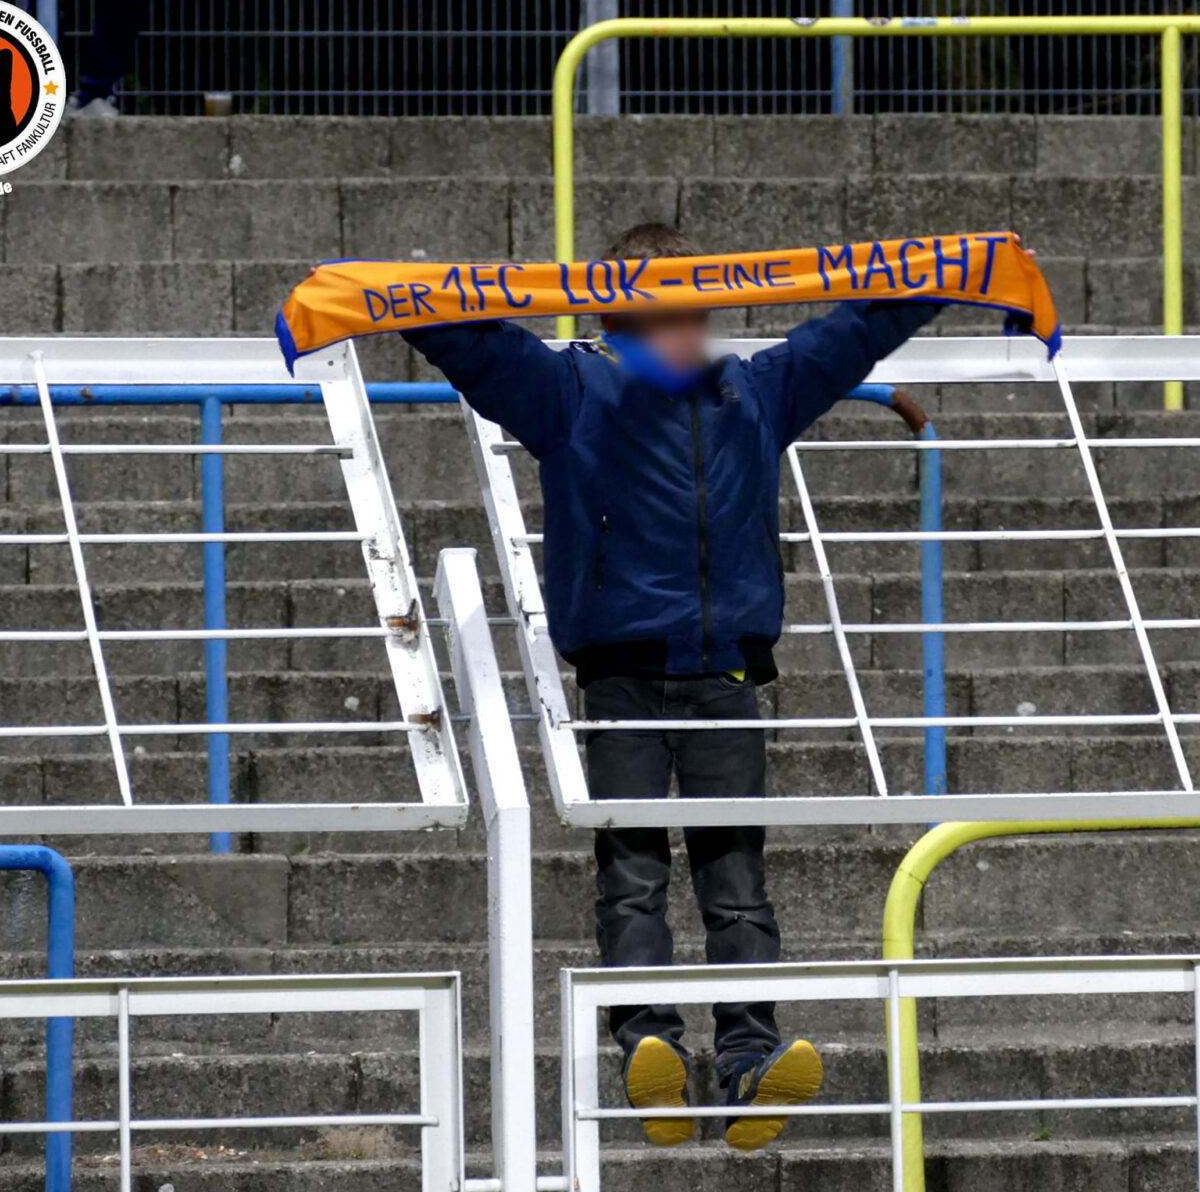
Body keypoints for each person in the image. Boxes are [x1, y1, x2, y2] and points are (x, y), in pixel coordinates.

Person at [405, 222, 1033, 1152]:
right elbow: (467, 339)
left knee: (738, 888)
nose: (684, 332)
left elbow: (859, 326)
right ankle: (648, 1047)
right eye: (664, 315)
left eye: (694, 313)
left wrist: (957, 276)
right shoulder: (569, 387)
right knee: (632, 883)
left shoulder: (759, 388)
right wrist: (405, 288)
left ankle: (747, 1061)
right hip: (621, 678)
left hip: (727, 679)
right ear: (621, 316)